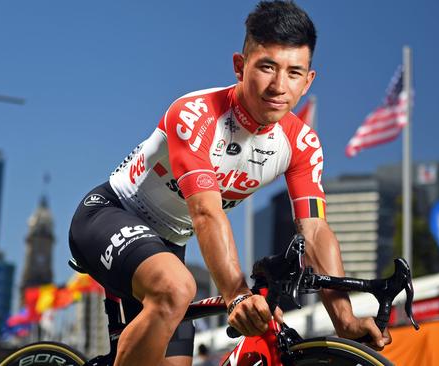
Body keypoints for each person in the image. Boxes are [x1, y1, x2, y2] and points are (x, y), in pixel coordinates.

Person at [68, 1, 391, 365]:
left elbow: (315, 232)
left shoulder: (302, 145)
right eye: (267, 67)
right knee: (177, 288)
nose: (279, 86)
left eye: (294, 72)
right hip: (111, 214)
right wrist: (236, 295)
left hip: (169, 244)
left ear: (308, 80)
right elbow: (205, 211)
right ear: (240, 66)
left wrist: (343, 318)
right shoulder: (196, 114)